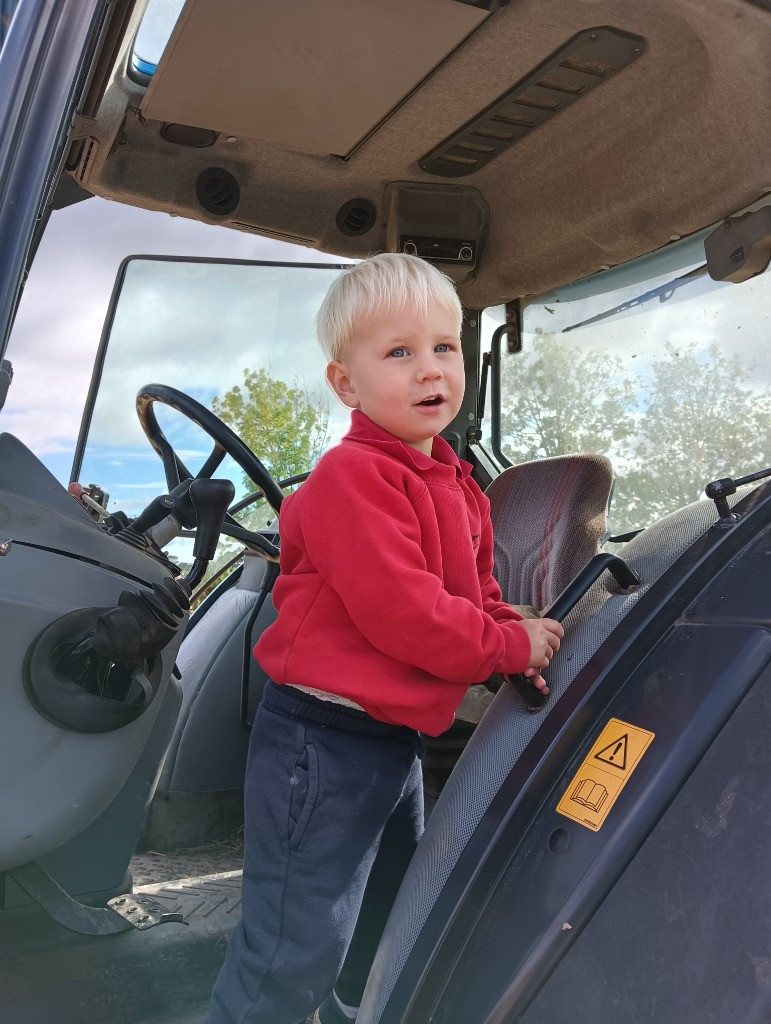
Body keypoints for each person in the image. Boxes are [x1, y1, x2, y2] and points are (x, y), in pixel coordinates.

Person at [206, 253, 564, 1024]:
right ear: (346, 383)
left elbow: (473, 595)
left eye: (443, 347)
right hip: (321, 744)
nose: (429, 368)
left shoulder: (456, 482)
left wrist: (515, 635)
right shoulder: (351, 479)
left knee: (383, 917)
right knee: (294, 941)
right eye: (398, 352)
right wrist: (503, 650)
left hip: (388, 741)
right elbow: (403, 613)